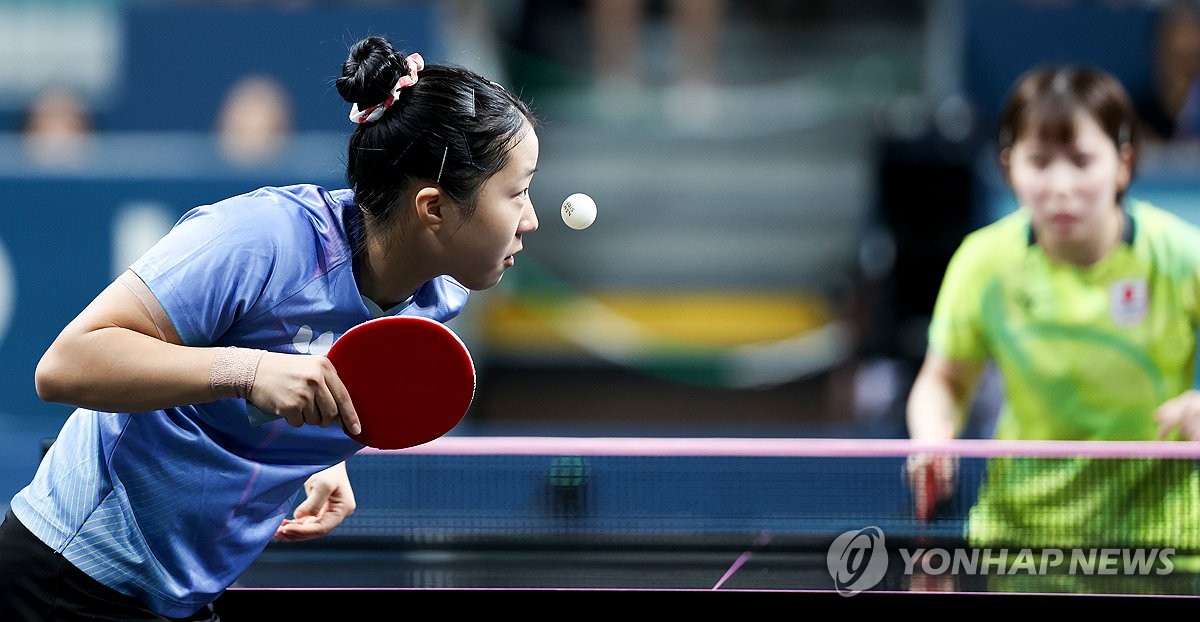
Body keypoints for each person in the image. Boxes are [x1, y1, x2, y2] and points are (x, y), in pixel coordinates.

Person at [0, 33, 540, 620]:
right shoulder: (263, 240)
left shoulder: (432, 301)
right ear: (433, 208)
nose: (530, 220)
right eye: (517, 193)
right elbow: (65, 365)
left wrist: (319, 455)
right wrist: (248, 371)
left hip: (182, 593)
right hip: (68, 575)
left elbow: (299, 356)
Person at [905, 66, 1200, 554]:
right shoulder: (985, 263)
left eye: (1082, 160)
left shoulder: (1179, 256)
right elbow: (945, 380)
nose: (1061, 184)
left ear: (1123, 164)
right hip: (1020, 538)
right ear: (1008, 166)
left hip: (1162, 536)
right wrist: (932, 436)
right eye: (1039, 161)